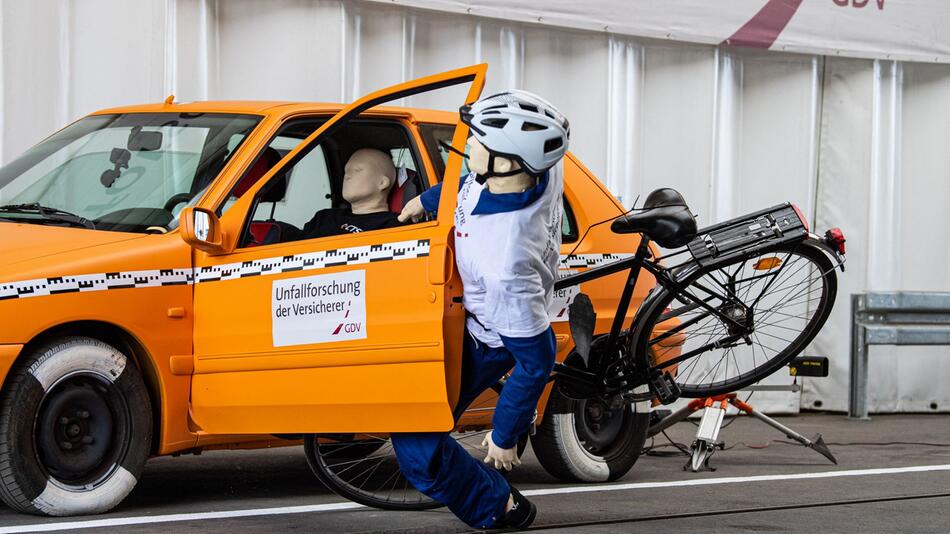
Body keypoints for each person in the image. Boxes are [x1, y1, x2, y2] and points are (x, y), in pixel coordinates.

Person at [392, 90, 570, 530]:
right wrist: (429, 200)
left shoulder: (505, 263)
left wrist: (504, 435)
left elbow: (535, 360)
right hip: (468, 309)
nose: (468, 144)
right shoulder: (534, 166)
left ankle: (498, 506)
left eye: (478, 141)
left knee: (417, 444)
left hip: (487, 337)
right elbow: (468, 187)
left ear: (508, 162)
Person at [295, 148, 401, 239]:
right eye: (346, 171)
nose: (347, 176)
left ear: (382, 182)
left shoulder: (395, 227)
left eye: (357, 170)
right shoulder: (323, 217)